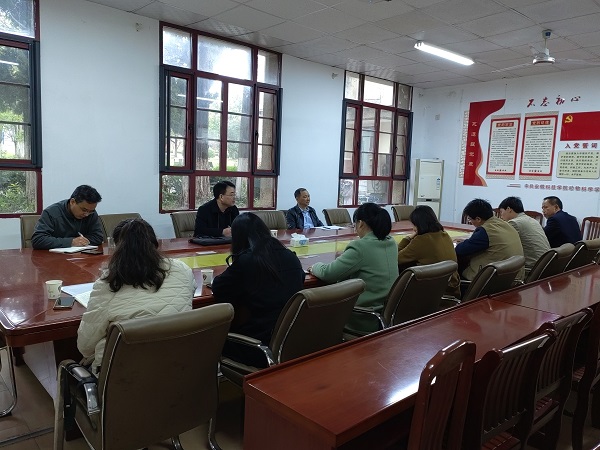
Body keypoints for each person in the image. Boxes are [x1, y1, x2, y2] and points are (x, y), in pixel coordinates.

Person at [77, 219, 195, 373]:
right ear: (155, 243)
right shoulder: (182, 270)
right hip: (180, 366)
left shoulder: (110, 282)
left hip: (124, 375)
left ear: (118, 248)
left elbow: (85, 347)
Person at [211, 213, 305, 367]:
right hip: (291, 342)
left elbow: (219, 288)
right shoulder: (290, 256)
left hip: (258, 347)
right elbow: (300, 279)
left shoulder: (247, 260)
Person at [309, 203, 398, 335]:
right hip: (385, 316)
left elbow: (328, 273)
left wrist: (315, 266)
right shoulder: (391, 242)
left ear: (360, 223)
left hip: (361, 318)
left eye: (354, 223)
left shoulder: (360, 247)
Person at [397, 205, 460, 297]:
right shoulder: (445, 235)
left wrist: (408, 237)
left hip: (434, 293)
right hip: (453, 289)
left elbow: (396, 259)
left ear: (419, 224)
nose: (413, 228)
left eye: (414, 225)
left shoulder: (421, 240)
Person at [455, 199, 524, 281]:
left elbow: (460, 250)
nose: (470, 222)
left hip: (491, 281)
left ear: (478, 219)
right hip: (514, 278)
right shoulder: (504, 224)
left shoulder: (486, 231)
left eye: (470, 219)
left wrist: (464, 243)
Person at [31, 185, 104, 249]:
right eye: (84, 210)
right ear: (72, 202)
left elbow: (98, 237)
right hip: (55, 258)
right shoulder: (51, 213)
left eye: (90, 211)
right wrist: (71, 242)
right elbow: (38, 240)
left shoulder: (91, 213)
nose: (87, 214)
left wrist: (82, 241)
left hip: (84, 257)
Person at [498, 196, 550, 270]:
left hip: (532, 268)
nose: (500, 217)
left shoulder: (514, 223)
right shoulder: (532, 220)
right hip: (545, 264)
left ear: (509, 209)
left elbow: (502, 246)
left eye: (501, 212)